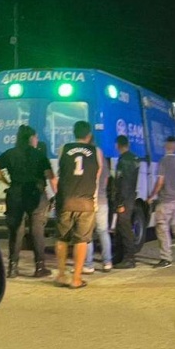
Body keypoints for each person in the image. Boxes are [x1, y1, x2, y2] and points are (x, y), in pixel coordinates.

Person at [0, 125, 58, 279]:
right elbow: (50, 175)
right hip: (35, 194)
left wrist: (6, 181)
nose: (37, 140)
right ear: (31, 138)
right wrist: (56, 194)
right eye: (36, 137)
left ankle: (12, 268)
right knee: (37, 230)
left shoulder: (10, 153)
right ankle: (39, 267)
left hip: (15, 193)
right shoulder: (39, 155)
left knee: (16, 230)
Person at [54, 121, 102, 289]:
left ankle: (61, 275)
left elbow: (60, 171)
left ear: (74, 133)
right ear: (89, 135)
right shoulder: (96, 151)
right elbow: (96, 176)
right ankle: (76, 278)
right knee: (81, 240)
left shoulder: (63, 148)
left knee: (62, 238)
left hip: (66, 200)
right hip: (86, 203)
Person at [148, 136, 175, 268]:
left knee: (162, 228)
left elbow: (160, 182)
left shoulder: (163, 161)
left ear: (166, 146)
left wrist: (152, 195)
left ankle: (166, 258)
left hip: (166, 200)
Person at [83, 147, 114, 274]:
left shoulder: (86, 161)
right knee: (103, 231)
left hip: (88, 201)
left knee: (87, 234)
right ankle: (107, 262)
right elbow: (106, 181)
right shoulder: (103, 161)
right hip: (102, 200)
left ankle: (89, 264)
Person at [112, 135, 140, 269]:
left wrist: (120, 203)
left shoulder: (124, 160)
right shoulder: (134, 158)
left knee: (124, 228)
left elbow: (123, 183)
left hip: (124, 199)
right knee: (121, 227)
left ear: (118, 145)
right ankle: (120, 256)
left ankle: (129, 258)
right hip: (130, 197)